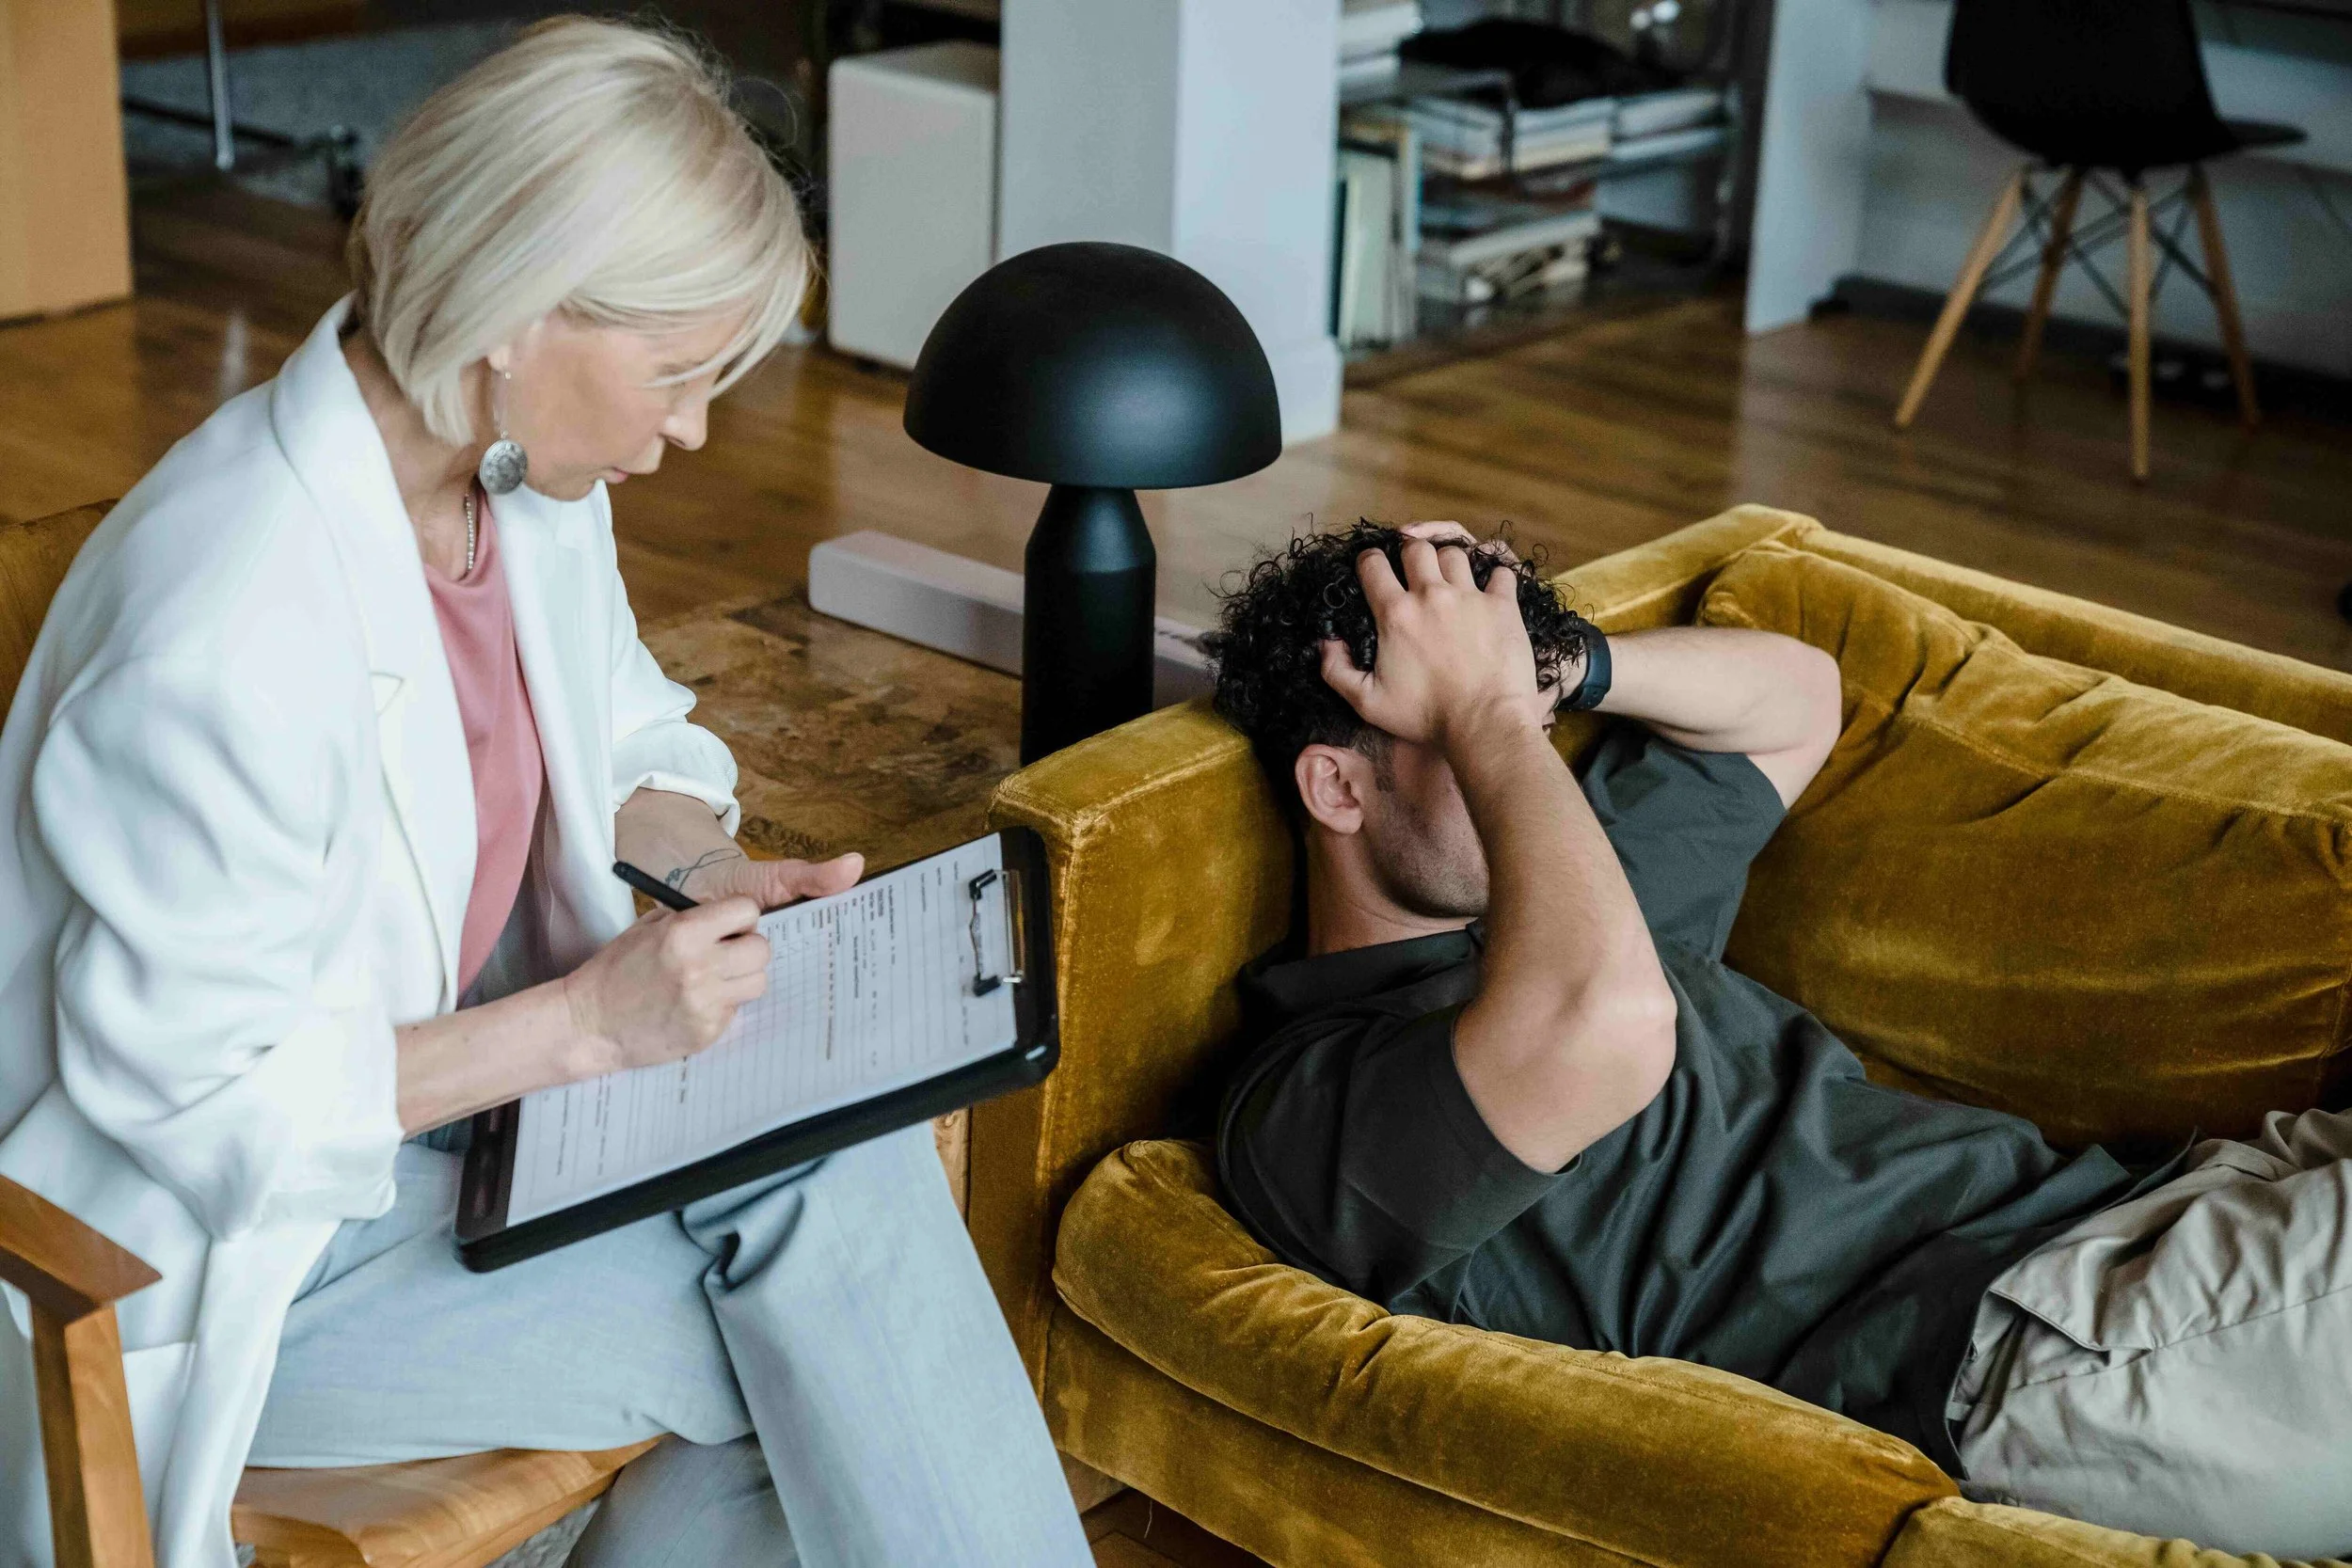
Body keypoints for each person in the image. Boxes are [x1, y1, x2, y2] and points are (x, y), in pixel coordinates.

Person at [0, 21, 1089, 1568]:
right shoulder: (227, 616)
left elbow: (618, 737)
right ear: (520, 309)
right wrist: (588, 1028)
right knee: (855, 1357)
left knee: (852, 1255)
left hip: (463, 1144)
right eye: (679, 372)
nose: (696, 428)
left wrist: (707, 867)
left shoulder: (507, 485)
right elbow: (197, 1104)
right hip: (239, 1263)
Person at [1204, 520, 2352, 1560]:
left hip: (2168, 1217)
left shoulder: (1560, 889)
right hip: (2048, 1352)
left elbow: (1798, 696)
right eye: (1471, 737)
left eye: (1541, 731)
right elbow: (1606, 1025)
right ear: (1337, 790)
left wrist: (1552, 668)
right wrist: (1488, 712)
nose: (1536, 771)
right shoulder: (1311, 1099)